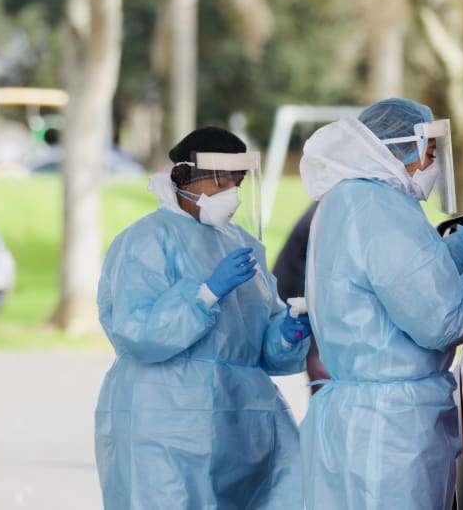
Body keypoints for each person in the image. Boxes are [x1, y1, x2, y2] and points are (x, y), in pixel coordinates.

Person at [297, 98, 463, 510]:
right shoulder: (381, 208)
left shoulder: (347, 199)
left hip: (357, 416)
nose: (431, 166)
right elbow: (442, 320)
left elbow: (398, 279)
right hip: (391, 429)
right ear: (398, 148)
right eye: (429, 154)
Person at [94, 126, 311, 509]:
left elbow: (261, 345)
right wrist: (206, 294)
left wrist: (287, 334)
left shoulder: (243, 244)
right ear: (183, 178)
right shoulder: (146, 240)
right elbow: (138, 333)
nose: (231, 195)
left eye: (237, 184)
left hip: (242, 423)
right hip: (166, 422)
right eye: (220, 183)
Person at [271, 201, 330, 390]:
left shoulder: (328, 207)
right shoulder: (329, 213)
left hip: (298, 296)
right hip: (298, 300)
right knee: (322, 373)